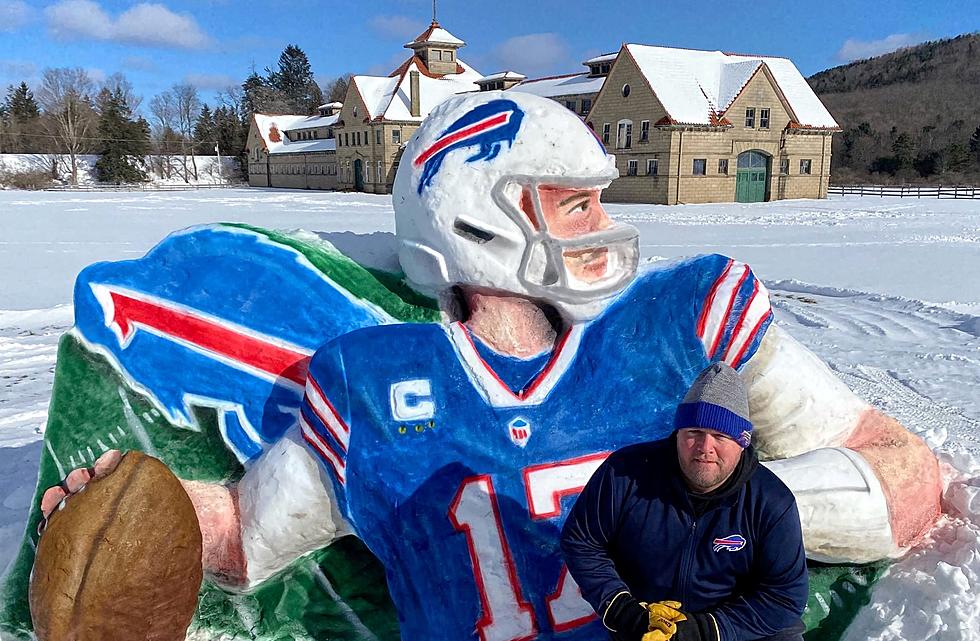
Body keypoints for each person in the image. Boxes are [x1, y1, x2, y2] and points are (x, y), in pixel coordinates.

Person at [37, 91, 940, 641]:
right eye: (571, 207)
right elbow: (245, 533)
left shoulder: (682, 323)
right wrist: (132, 520)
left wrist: (718, 521)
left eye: (596, 203)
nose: (600, 227)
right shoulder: (374, 384)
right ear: (473, 217)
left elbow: (897, 472)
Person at [560, 362, 808, 641]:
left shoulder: (770, 502)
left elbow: (785, 596)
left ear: (742, 442)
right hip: (647, 623)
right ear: (677, 434)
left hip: (731, 628)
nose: (705, 448)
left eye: (720, 436)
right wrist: (621, 609)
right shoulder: (625, 473)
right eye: (693, 433)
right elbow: (582, 540)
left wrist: (705, 630)